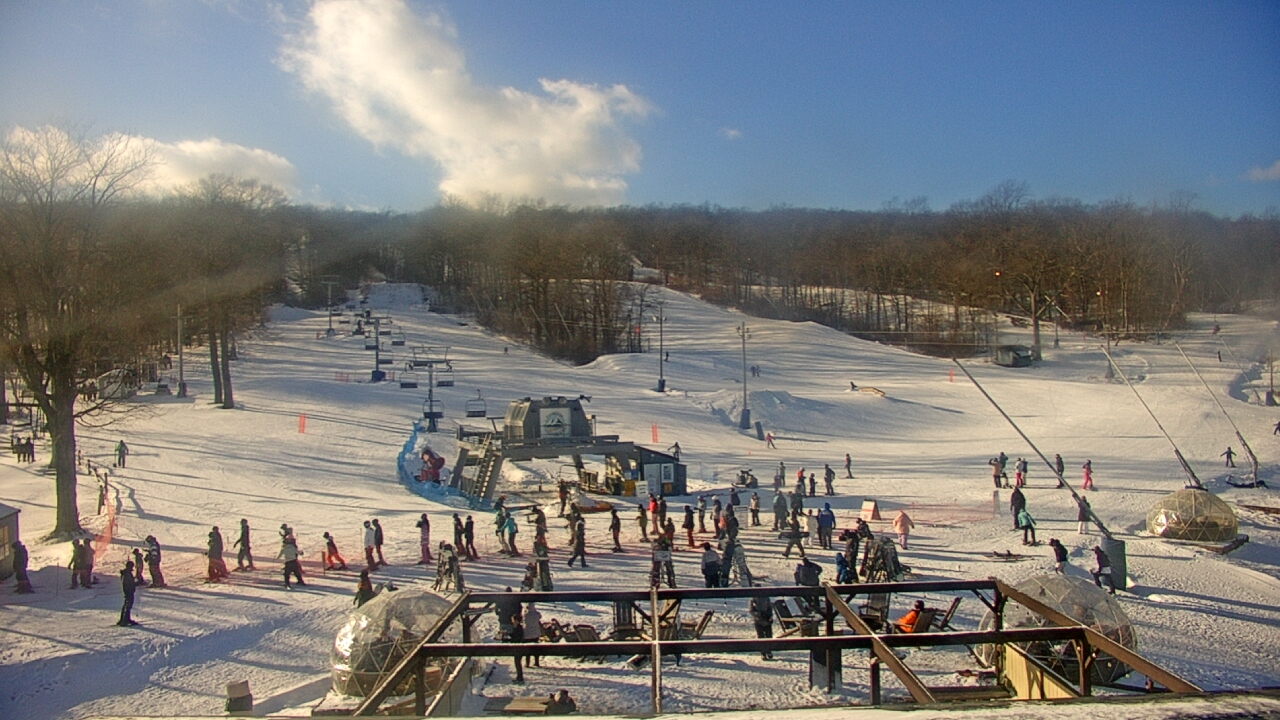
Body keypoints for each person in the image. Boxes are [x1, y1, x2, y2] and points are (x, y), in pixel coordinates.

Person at [749, 594, 774, 659]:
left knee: (769, 635)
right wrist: (759, 614)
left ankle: (768, 651)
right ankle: (763, 652)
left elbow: (770, 607)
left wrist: (770, 616)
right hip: (758, 620)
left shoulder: (766, 597)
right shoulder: (753, 599)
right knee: (761, 636)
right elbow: (751, 610)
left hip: (766, 620)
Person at [117, 561, 139, 626]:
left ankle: (125, 619)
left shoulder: (127, 573)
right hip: (128, 591)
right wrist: (132, 586)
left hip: (128, 591)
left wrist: (135, 583)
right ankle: (124, 620)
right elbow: (127, 583)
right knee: (128, 605)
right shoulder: (127, 574)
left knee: (127, 605)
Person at [522, 603, 543, 668]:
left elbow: (523, 619)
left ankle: (527, 663)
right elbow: (540, 616)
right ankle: (537, 662)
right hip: (535, 633)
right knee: (536, 649)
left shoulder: (526, 615)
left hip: (527, 633)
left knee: (527, 649)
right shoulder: (536, 614)